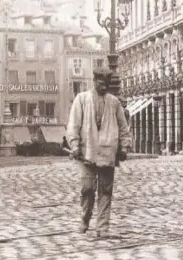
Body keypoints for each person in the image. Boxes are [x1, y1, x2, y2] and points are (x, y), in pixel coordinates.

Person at [66, 68, 131, 239]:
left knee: (106, 190)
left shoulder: (114, 103)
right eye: (101, 84)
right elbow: (73, 125)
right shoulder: (81, 99)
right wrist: (74, 144)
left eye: (106, 85)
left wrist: (124, 147)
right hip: (86, 152)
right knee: (87, 189)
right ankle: (84, 220)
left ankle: (103, 227)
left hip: (108, 152)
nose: (103, 87)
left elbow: (124, 128)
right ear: (94, 81)